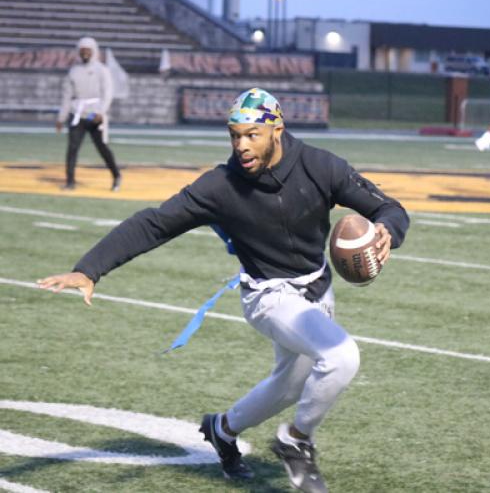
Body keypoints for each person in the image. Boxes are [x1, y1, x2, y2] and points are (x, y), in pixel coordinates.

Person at [39, 88, 409, 493]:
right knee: (341, 356)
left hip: (318, 289)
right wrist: (89, 269)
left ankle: (222, 429)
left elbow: (388, 207)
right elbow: (155, 223)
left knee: (290, 386)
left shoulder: (321, 166)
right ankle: (297, 442)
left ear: (277, 130)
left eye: (252, 134)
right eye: (234, 135)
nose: (241, 145)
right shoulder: (220, 185)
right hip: (267, 296)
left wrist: (387, 230)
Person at [56, 37, 121, 191]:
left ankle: (116, 175)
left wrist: (101, 112)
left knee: (102, 147)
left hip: (95, 115)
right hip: (77, 113)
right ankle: (70, 181)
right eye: (82, 50)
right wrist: (61, 117)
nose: (85, 53)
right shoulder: (73, 70)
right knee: (72, 147)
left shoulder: (101, 70)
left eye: (88, 50)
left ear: (94, 51)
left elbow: (108, 93)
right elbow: (67, 96)